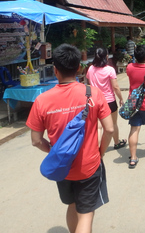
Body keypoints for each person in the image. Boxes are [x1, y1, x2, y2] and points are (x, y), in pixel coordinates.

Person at [26, 44, 114, 233]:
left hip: (62, 167)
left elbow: (35, 140)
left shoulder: (42, 100)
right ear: (79, 68)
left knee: (72, 205)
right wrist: (100, 152)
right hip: (88, 166)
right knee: (86, 213)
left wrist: (55, 151)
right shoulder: (93, 94)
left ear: (55, 70)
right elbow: (110, 129)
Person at [86, 47, 127, 150]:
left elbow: (88, 83)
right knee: (113, 123)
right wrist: (121, 99)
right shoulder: (110, 70)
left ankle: (97, 147)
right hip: (109, 101)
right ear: (106, 56)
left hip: (94, 100)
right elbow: (116, 87)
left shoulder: (90, 69)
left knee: (98, 125)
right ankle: (117, 143)